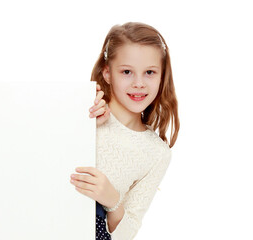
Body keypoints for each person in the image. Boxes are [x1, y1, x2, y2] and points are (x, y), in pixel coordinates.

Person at [69, 22, 180, 240]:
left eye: (149, 72)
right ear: (108, 73)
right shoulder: (83, 107)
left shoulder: (156, 153)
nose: (139, 83)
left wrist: (113, 200)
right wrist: (84, 126)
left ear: (161, 76)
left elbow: (126, 234)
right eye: (127, 71)